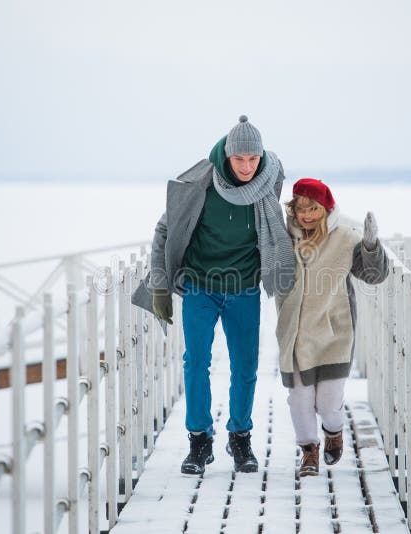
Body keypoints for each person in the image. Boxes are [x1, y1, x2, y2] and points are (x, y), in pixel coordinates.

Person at [132, 116, 295, 475]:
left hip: (245, 288)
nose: (248, 166)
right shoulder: (200, 185)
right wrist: (160, 283)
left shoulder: (268, 184)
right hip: (200, 286)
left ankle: (239, 437)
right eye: (240, 159)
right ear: (227, 156)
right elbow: (165, 230)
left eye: (253, 159)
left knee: (246, 367)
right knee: (195, 363)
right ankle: (199, 441)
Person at [276, 178, 388, 476]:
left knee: (328, 403)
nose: (307, 215)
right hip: (296, 335)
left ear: (325, 209)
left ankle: (334, 431)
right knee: (299, 399)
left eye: (313, 209)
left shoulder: (346, 237)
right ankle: (309, 450)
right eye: (301, 209)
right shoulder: (283, 236)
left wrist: (371, 246)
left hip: (333, 334)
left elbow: (374, 275)